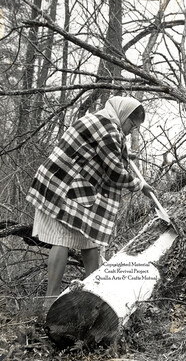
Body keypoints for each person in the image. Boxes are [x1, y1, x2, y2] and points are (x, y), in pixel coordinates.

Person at [26, 96, 154, 307]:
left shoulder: (101, 120)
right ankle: (48, 303)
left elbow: (101, 148)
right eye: (132, 124)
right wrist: (139, 186)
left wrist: (124, 153)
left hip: (73, 186)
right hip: (62, 186)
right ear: (123, 115)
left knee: (89, 240)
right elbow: (114, 170)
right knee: (63, 239)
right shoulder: (108, 129)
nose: (132, 131)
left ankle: (95, 298)